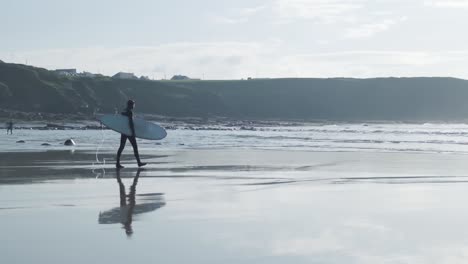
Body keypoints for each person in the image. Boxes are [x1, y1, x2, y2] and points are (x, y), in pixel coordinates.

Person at [116, 100, 146, 168]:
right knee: (135, 147)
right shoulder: (129, 112)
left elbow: (122, 122)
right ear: (130, 105)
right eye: (133, 105)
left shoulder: (124, 112)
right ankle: (139, 162)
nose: (134, 106)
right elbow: (130, 123)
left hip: (124, 131)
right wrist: (133, 132)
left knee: (121, 147)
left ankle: (117, 163)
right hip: (129, 132)